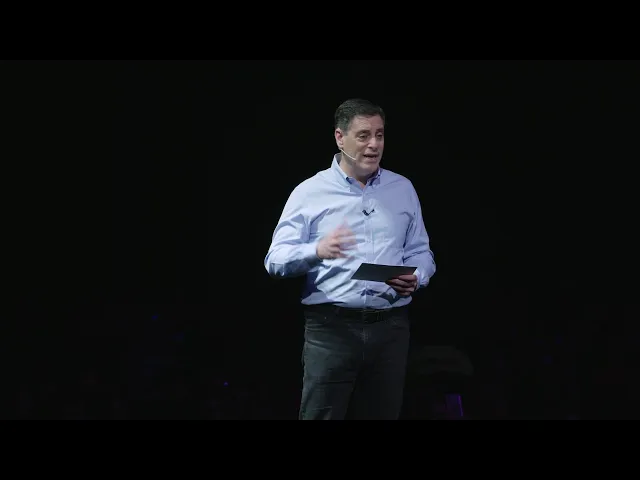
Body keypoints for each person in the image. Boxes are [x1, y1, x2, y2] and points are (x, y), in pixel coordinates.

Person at [264, 98, 436, 420]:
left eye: (380, 135)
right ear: (340, 138)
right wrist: (316, 250)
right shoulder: (310, 192)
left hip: (390, 328)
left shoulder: (402, 188)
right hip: (331, 330)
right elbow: (275, 260)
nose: (374, 145)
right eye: (363, 135)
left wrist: (417, 276)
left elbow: (420, 251)